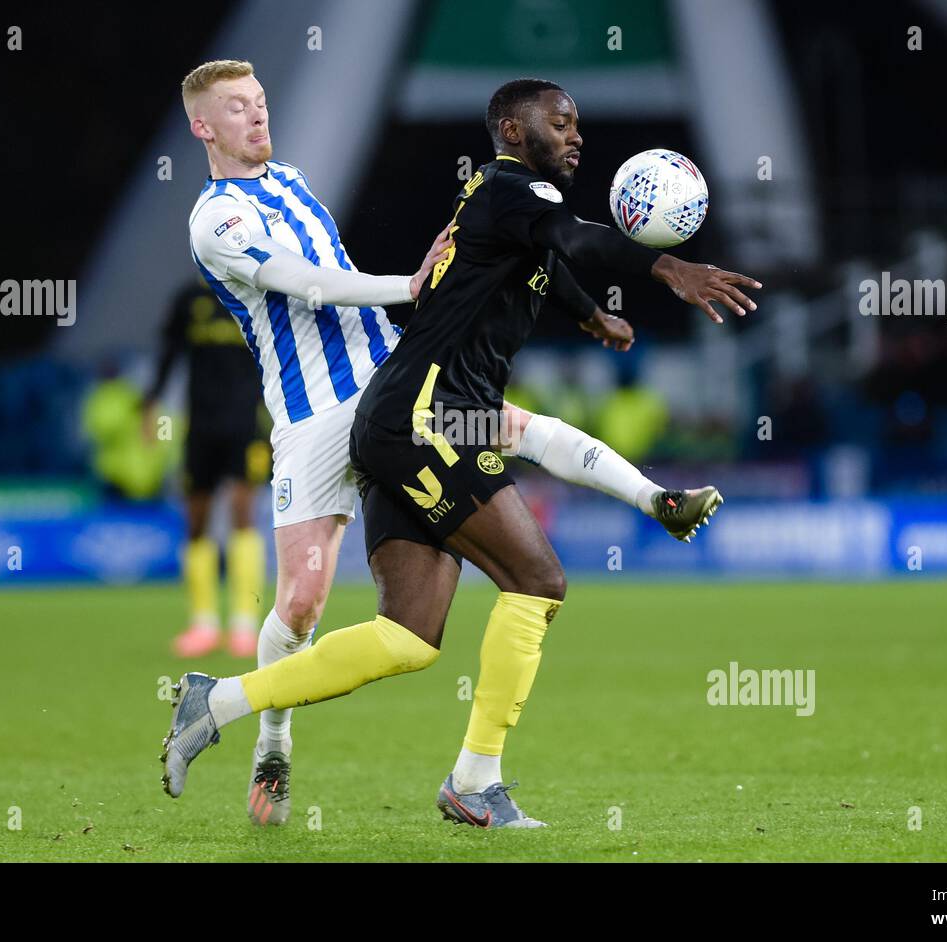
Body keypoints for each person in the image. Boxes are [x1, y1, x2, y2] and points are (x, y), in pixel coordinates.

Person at [161, 75, 759, 827]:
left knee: (411, 632)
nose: (258, 112)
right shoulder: (217, 217)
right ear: (202, 128)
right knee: (355, 596)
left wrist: (581, 312)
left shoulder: (305, 182)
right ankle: (323, 756)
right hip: (350, 413)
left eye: (262, 101)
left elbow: (544, 250)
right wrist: (407, 284)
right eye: (238, 107)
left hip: (397, 387)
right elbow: (302, 280)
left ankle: (218, 701)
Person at [144, 282, 268, 658]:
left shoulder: (255, 292)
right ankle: (204, 624)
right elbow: (169, 353)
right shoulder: (188, 299)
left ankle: (245, 624)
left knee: (242, 516)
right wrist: (151, 403)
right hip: (199, 427)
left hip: (248, 424)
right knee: (196, 521)